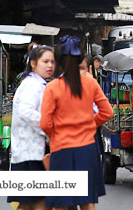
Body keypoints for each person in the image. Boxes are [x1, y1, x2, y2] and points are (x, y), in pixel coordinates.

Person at [41, 36, 113, 210]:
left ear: (59, 61)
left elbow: (45, 123)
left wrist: (57, 135)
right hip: (87, 149)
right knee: (87, 201)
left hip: (61, 150)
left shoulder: (52, 87)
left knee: (62, 203)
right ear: (81, 59)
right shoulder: (91, 83)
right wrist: (89, 124)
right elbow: (107, 113)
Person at [7, 45, 56, 210]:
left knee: (28, 203)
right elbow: (26, 111)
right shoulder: (32, 85)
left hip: (29, 152)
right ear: (33, 63)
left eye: (52, 62)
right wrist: (49, 128)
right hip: (31, 153)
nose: (50, 65)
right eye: (45, 61)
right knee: (39, 201)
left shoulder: (38, 84)